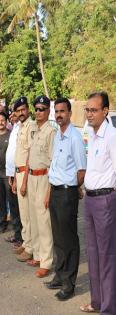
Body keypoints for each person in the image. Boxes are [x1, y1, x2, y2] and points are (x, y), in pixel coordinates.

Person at [46, 97, 86, 301]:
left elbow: (81, 171)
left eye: (63, 111)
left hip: (67, 193)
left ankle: (69, 284)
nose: (59, 115)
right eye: (57, 111)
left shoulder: (75, 137)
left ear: (70, 113)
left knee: (69, 240)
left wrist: (72, 188)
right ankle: (59, 276)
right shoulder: (57, 136)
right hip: (55, 191)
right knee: (58, 238)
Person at [80, 92, 116, 314]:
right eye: (87, 109)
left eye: (94, 110)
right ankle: (96, 301)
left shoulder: (112, 136)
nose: (89, 114)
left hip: (105, 201)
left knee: (107, 255)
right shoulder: (92, 134)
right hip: (90, 200)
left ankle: (109, 307)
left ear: (105, 111)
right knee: (92, 253)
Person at [26, 96, 56, 278]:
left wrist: (49, 191)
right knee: (34, 219)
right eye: (36, 109)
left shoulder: (51, 132)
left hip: (44, 178)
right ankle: (37, 254)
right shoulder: (35, 130)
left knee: (44, 222)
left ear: (48, 111)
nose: (38, 112)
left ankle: (46, 261)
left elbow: (53, 163)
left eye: (42, 109)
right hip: (31, 177)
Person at [12, 97, 34, 263]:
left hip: (27, 174)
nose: (21, 113)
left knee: (28, 214)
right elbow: (18, 155)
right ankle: (26, 243)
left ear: (28, 110)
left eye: (23, 110)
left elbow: (30, 156)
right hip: (18, 173)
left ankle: (31, 248)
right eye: (18, 110)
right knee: (23, 213)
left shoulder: (31, 127)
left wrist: (25, 180)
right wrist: (15, 179)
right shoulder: (20, 127)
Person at [4, 100, 23, 246]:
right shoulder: (15, 128)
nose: (13, 114)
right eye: (12, 112)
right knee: (14, 208)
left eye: (16, 112)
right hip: (11, 173)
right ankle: (17, 235)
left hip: (19, 174)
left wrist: (15, 176)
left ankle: (22, 238)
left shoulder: (24, 128)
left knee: (20, 208)